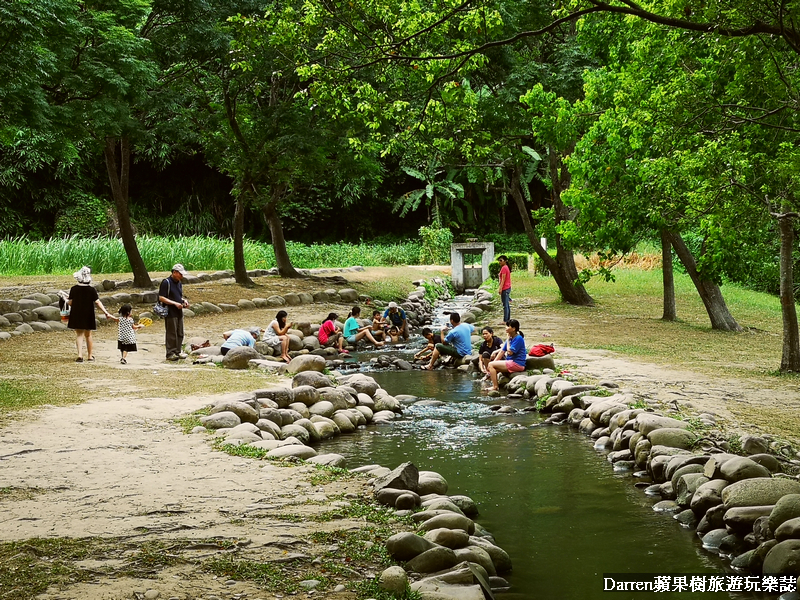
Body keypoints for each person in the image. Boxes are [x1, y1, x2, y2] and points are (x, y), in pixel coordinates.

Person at [67, 266, 113, 363]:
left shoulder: (74, 289)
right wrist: (106, 312)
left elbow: (70, 303)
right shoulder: (92, 290)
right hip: (88, 314)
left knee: (79, 334)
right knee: (88, 335)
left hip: (77, 314)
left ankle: (79, 355)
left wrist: (66, 300)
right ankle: (90, 355)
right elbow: (97, 302)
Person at [159, 264, 191, 361]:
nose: (182, 276)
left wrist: (183, 301)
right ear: (174, 272)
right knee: (171, 333)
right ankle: (170, 353)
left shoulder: (179, 283)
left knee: (180, 332)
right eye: (180, 274)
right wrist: (175, 304)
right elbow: (161, 297)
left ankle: (178, 351)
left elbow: (178, 296)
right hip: (170, 312)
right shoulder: (166, 282)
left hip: (179, 311)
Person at [487, 319, 527, 391]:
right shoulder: (511, 338)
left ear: (514, 328)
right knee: (492, 367)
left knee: (491, 365)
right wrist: (492, 364)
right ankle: (495, 384)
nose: (506, 327)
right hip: (511, 362)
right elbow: (502, 351)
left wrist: (508, 340)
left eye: (508, 326)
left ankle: (495, 387)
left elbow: (510, 352)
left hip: (517, 363)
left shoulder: (518, 338)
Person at [498, 255, 512, 323]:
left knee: (505, 305)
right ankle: (507, 319)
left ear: (505, 261)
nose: (499, 262)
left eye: (501, 260)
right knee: (507, 305)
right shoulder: (506, 267)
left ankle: (505, 320)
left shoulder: (504, 268)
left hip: (505, 288)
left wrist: (500, 288)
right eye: (499, 260)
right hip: (507, 287)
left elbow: (503, 279)